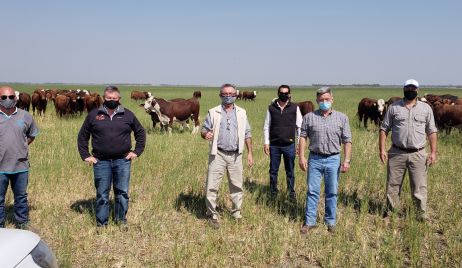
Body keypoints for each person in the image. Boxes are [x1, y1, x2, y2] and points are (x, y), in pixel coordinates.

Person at [77, 86, 146, 230]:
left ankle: (121, 221)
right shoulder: (94, 114)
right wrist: (86, 155)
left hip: (123, 160)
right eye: (109, 98)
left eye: (115, 98)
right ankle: (102, 224)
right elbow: (83, 136)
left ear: (119, 99)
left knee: (122, 193)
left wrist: (136, 151)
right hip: (101, 161)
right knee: (102, 193)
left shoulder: (128, 115)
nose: (112, 101)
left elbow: (140, 133)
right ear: (104, 98)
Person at [379, 79, 437, 221]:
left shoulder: (426, 108)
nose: (410, 90)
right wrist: (382, 149)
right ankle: (391, 213)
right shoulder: (393, 107)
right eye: (408, 88)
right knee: (393, 184)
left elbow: (432, 131)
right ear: (403, 89)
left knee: (419, 186)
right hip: (396, 152)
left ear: (417, 90)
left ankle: (420, 214)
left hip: (418, 153)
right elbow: (384, 128)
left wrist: (434, 152)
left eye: (413, 88)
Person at [298, 87, 352, 234]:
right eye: (321, 100)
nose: (324, 102)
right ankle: (309, 222)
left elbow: (347, 141)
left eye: (327, 99)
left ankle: (330, 221)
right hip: (314, 158)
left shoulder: (342, 118)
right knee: (312, 191)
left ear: (332, 100)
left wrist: (346, 161)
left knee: (332, 191)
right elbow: (303, 137)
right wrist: (301, 156)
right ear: (317, 101)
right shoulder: (309, 117)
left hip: (333, 159)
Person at [201, 83, 254, 229]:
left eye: (231, 94)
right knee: (212, 185)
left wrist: (250, 152)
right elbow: (204, 130)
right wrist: (206, 134)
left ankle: (236, 212)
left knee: (237, 185)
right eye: (225, 94)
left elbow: (247, 134)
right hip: (217, 153)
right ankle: (212, 214)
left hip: (236, 155)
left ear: (236, 95)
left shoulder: (242, 113)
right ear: (220, 96)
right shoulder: (213, 112)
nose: (228, 96)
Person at [0, 86, 39, 229]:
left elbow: (32, 135)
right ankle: (0, 227)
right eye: (4, 97)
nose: (8, 100)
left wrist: (21, 145)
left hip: (20, 165)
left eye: (11, 97)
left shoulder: (25, 116)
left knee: (21, 197)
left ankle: (22, 223)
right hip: (0, 166)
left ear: (15, 98)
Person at [263, 85, 302, 200]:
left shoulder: (294, 108)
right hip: (274, 145)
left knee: (290, 170)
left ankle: (291, 192)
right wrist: (266, 142)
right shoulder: (271, 108)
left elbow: (299, 127)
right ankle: (273, 192)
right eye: (281, 93)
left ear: (289, 94)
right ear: (278, 93)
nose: (283, 95)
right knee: (273, 170)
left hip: (289, 145)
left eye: (286, 93)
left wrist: (299, 144)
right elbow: (266, 126)